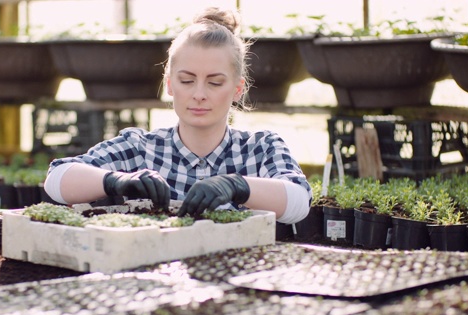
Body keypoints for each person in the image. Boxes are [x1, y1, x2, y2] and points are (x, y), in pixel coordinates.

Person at [44, 6, 312, 224]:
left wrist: (237, 186)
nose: (199, 94)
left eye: (215, 82)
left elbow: (299, 202)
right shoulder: (141, 148)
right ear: (169, 84)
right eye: (186, 80)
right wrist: (117, 180)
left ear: (238, 89)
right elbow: (56, 179)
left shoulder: (260, 149)